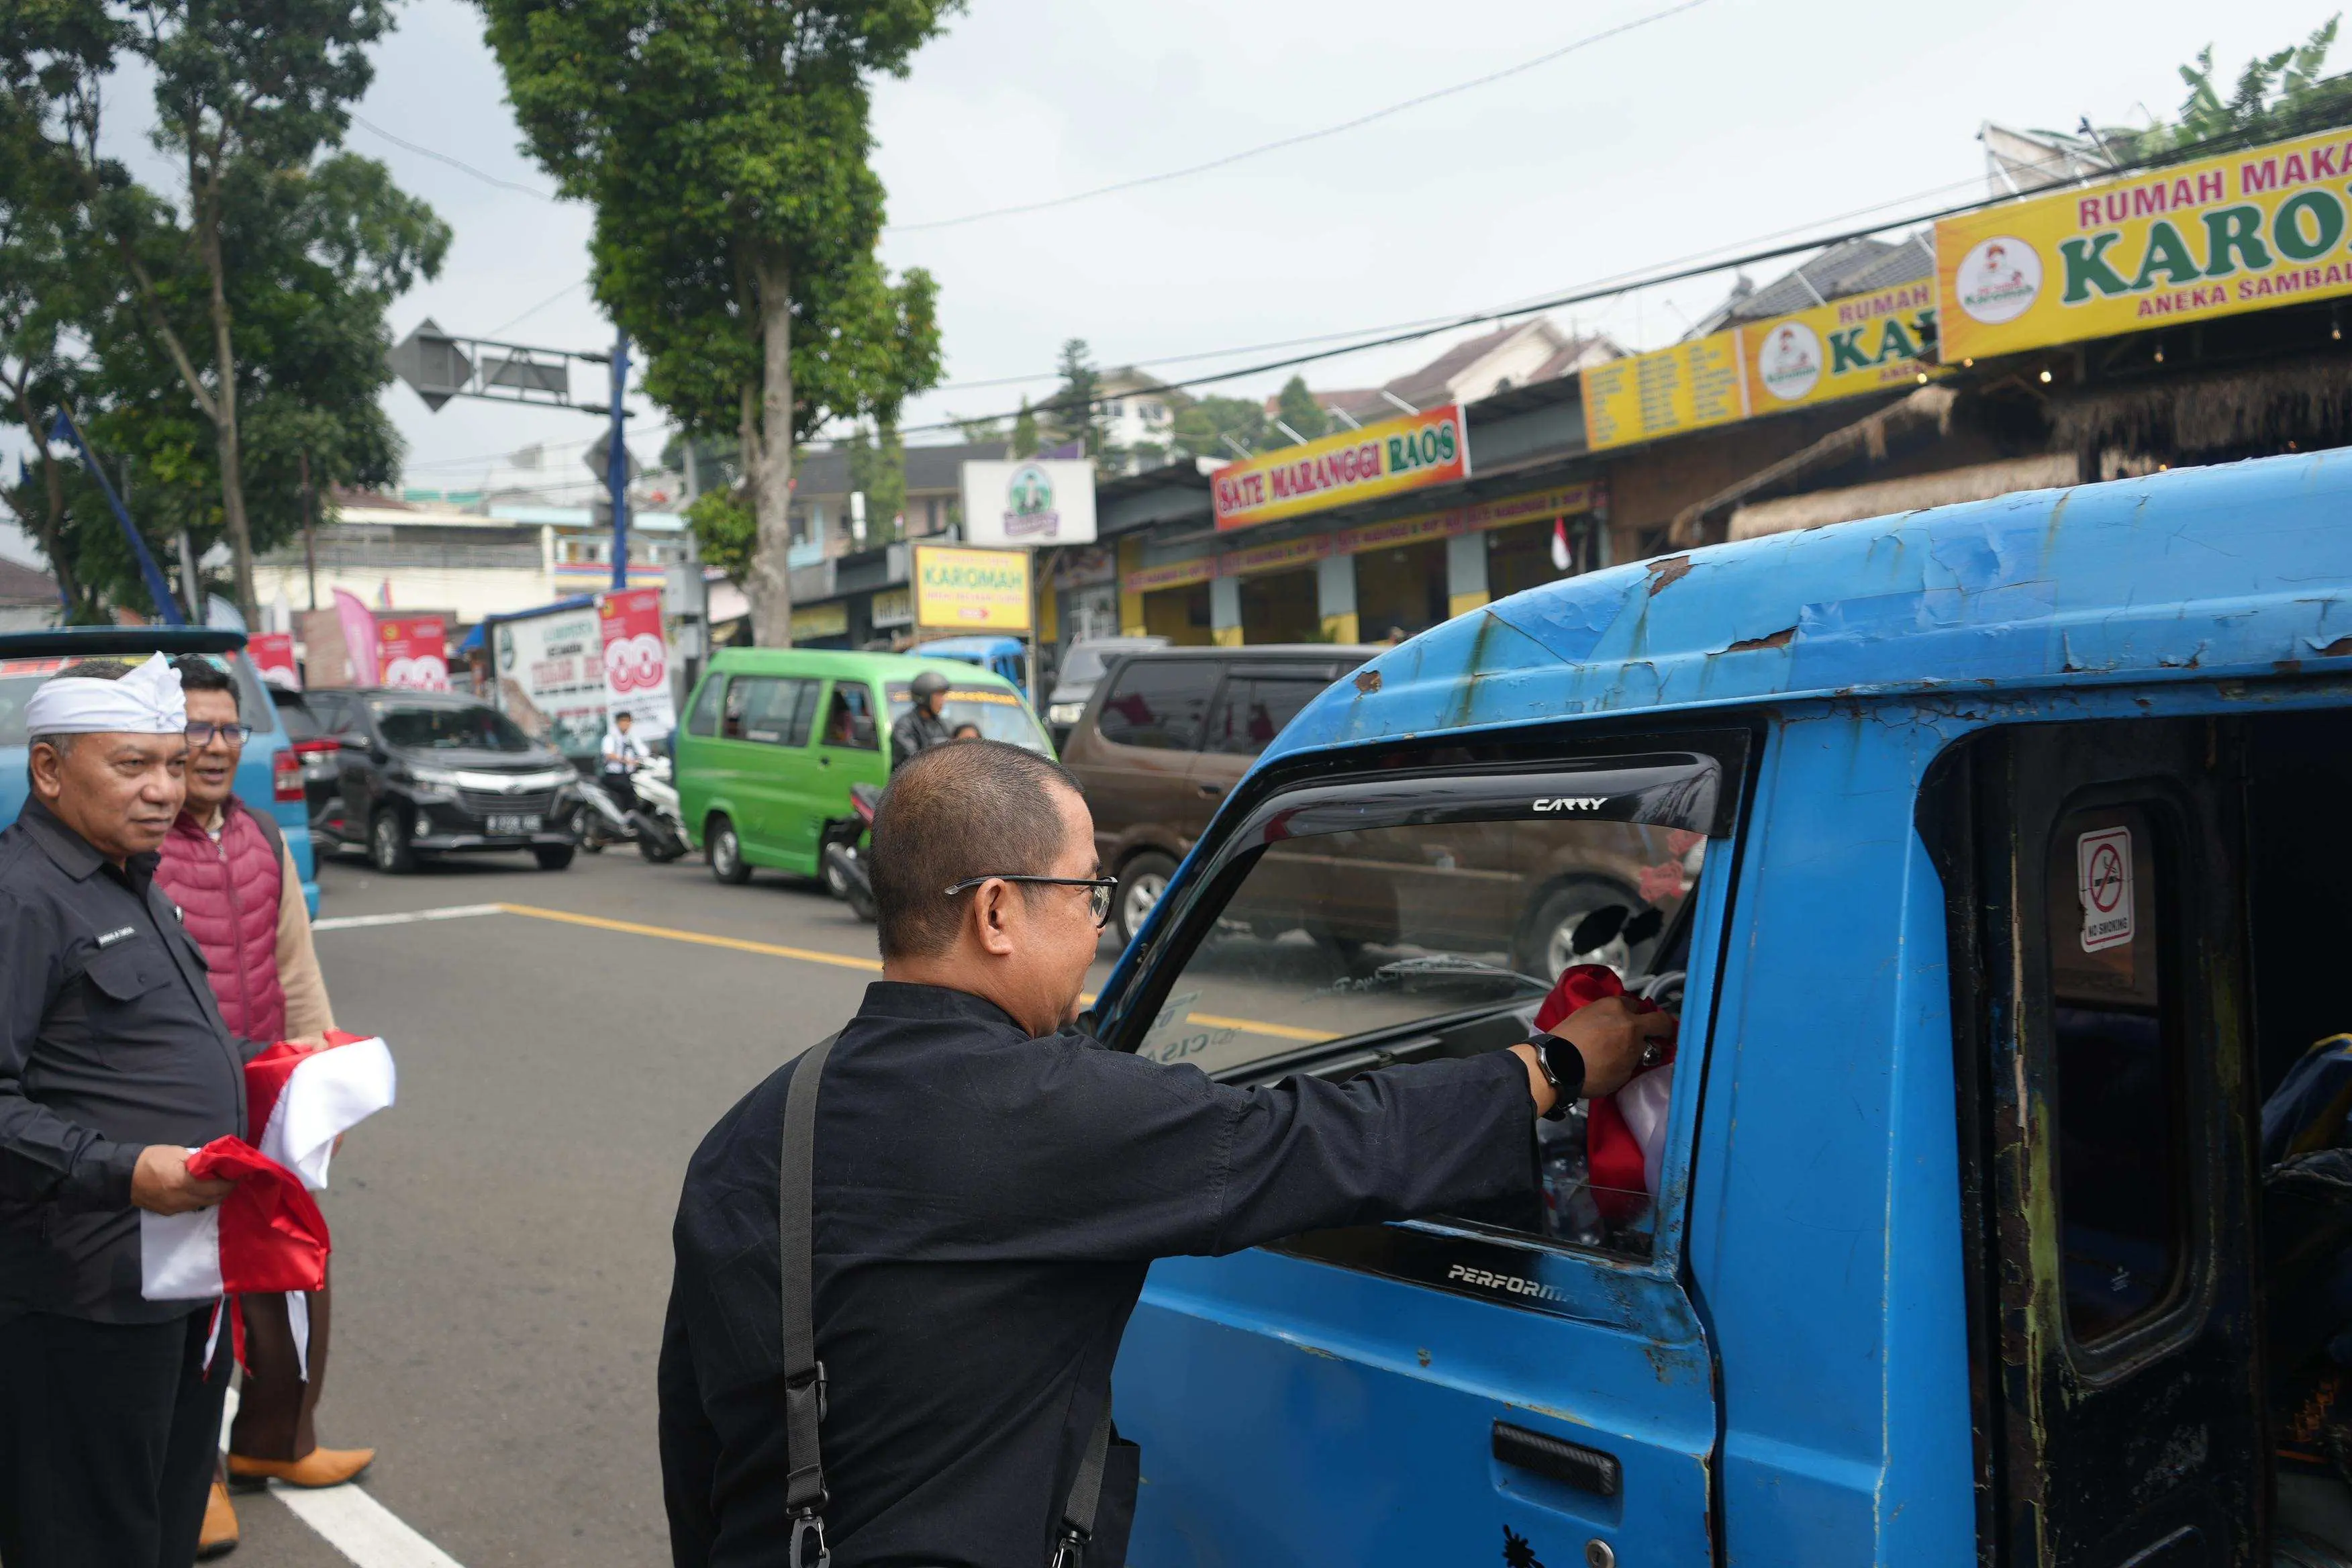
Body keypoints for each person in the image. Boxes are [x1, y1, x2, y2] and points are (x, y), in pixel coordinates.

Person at [658, 740, 1669, 1566]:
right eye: (1086, 894)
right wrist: (1555, 1064)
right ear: (997, 911)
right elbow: (1318, 1140)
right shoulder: (1057, 1112)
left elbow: (696, 1442)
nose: (1096, 929)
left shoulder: (754, 1131)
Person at [0, 655, 259, 1568]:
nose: (164, 790)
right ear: (49, 768)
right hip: (81, 1296)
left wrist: (272, 1076)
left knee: (162, 1523)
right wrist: (122, 1170)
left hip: (177, 1276)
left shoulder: (129, 877)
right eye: (133, 765)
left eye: (173, 764)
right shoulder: (21, 895)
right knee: (89, 1537)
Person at [154, 658, 372, 1555]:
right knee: (193, 1296)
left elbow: (296, 969)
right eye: (194, 728)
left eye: (227, 728)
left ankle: (276, 1442)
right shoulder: (141, 843)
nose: (213, 747)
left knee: (292, 1271)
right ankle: (193, 1480)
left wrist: (323, 1077)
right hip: (178, 1103)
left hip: (269, 1093)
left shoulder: (259, 835)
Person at [887, 669, 952, 775]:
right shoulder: (905, 726)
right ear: (924, 697)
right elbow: (913, 760)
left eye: (943, 695)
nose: (942, 701)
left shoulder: (944, 724)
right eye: (938, 695)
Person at [601, 708, 646, 814]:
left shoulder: (632, 738)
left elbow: (644, 752)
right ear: (618, 723)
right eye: (623, 721)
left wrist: (640, 760)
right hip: (615, 776)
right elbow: (608, 754)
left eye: (628, 721)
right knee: (626, 800)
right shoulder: (610, 738)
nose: (626, 724)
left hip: (631, 775)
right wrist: (625, 760)